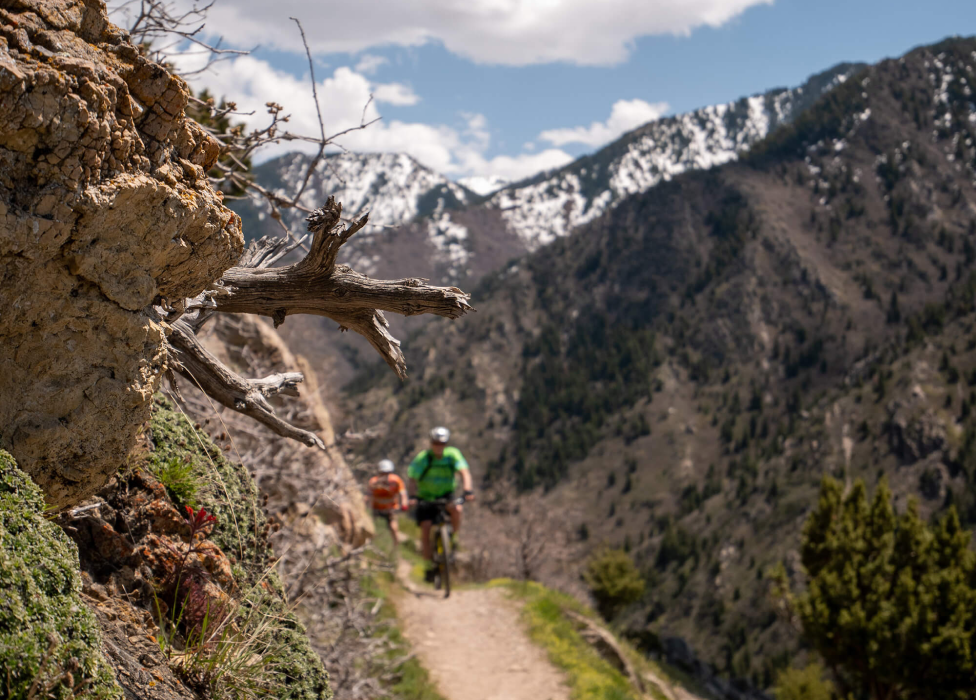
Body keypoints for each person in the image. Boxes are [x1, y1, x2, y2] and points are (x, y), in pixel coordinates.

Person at [407, 426, 474, 581]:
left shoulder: (452, 455)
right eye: (436, 443)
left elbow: (464, 472)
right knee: (425, 529)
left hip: (446, 494)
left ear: (447, 443)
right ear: (431, 443)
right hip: (426, 498)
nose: (439, 446)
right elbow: (412, 479)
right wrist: (413, 496)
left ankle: (453, 538)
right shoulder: (423, 458)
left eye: (442, 443)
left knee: (456, 508)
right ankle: (428, 566)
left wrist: (468, 490)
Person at [367, 459, 408, 553]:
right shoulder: (373, 482)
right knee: (371, 528)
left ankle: (396, 549)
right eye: (382, 473)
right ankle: (371, 547)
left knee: (394, 528)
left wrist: (404, 504)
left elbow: (403, 493)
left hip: (391, 509)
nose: (385, 475)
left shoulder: (396, 480)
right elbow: (368, 495)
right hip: (376, 509)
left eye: (387, 473)